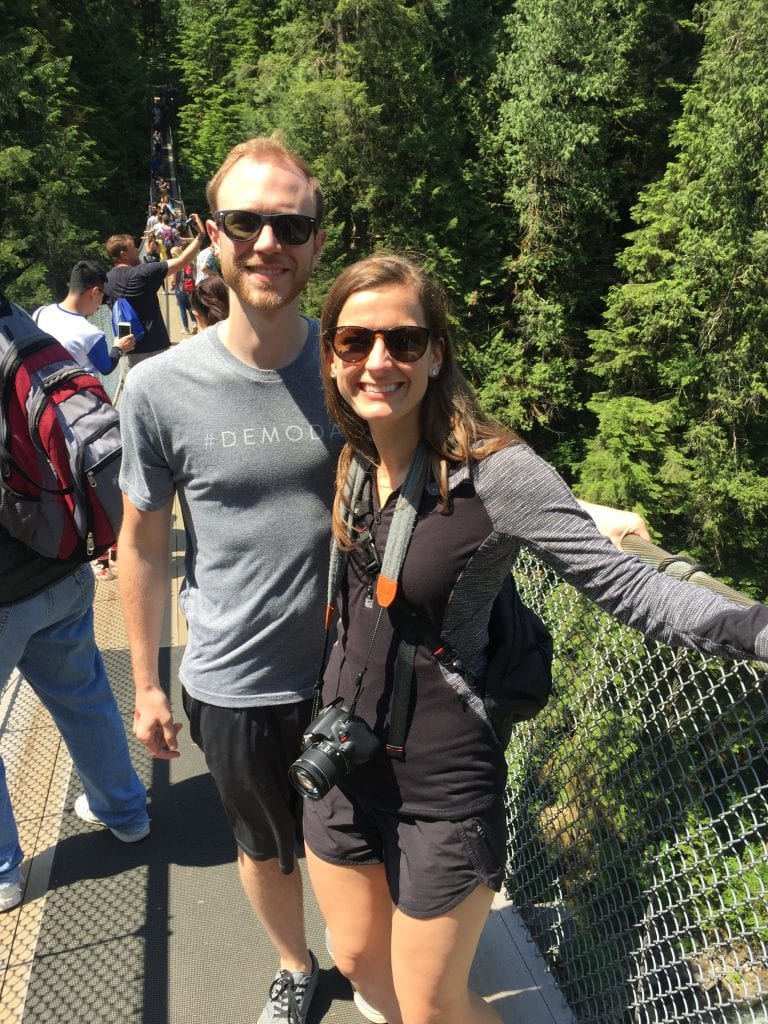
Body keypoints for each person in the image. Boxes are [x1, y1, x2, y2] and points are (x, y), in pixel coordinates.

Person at [116, 136, 652, 1024]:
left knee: (368, 899)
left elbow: (454, 457)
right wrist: (143, 680)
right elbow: (141, 540)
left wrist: (574, 512)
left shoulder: (359, 357)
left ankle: (391, 984)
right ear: (211, 234)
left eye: (289, 223)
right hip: (236, 675)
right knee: (264, 842)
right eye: (245, 221)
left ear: (317, 241)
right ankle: (294, 965)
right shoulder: (160, 388)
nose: (267, 240)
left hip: (362, 681)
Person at [299, 252, 768, 1024]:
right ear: (332, 353)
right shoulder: (354, 453)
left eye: (404, 342)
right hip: (341, 752)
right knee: (353, 962)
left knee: (432, 1008)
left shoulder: (500, 474)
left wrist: (754, 629)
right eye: (355, 342)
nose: (378, 361)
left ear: (437, 352)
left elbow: (630, 588)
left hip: (440, 781)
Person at [0, 300, 150, 915]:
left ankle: (3, 872)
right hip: (64, 559)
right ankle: (124, 810)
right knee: (84, 693)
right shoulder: (21, 330)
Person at [104, 212, 204, 374]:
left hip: (127, 350)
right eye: (133, 247)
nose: (138, 250)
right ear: (123, 254)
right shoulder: (144, 273)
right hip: (154, 349)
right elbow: (182, 261)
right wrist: (200, 235)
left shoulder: (105, 280)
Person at [33, 260, 135, 377]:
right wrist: (118, 348)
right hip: (79, 392)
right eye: (103, 296)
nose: (101, 303)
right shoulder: (91, 334)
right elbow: (106, 368)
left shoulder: (41, 312)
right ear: (94, 292)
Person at [169, 246, 194, 335]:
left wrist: (172, 285)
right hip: (190, 288)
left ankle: (186, 329)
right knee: (191, 307)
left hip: (180, 289)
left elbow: (173, 279)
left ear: (175, 254)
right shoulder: (190, 262)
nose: (172, 256)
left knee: (182, 309)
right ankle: (195, 324)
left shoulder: (176, 264)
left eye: (172, 254)